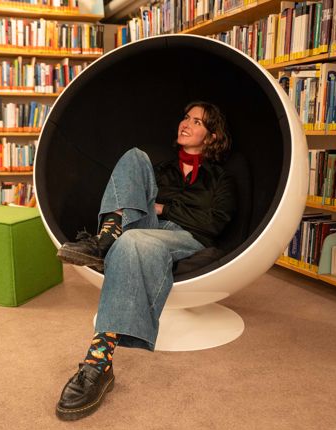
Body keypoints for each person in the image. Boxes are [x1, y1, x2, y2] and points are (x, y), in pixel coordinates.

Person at [55, 101, 237, 421]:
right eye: (185, 117)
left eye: (197, 122)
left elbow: (213, 224)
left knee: (133, 240)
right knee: (134, 156)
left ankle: (98, 363)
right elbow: (134, 202)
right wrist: (149, 209)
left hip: (185, 237)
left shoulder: (221, 179)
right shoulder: (159, 170)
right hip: (145, 229)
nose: (186, 124)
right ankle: (105, 238)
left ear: (211, 136)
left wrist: (163, 209)